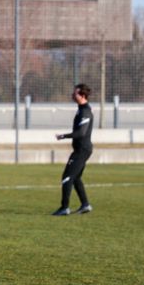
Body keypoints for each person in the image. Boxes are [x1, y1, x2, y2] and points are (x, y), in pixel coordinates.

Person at [53, 83, 94, 216]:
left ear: (82, 95)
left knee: (66, 177)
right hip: (81, 149)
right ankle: (85, 205)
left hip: (82, 150)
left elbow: (81, 133)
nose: (72, 95)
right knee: (75, 178)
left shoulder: (85, 111)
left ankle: (64, 207)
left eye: (75, 93)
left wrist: (64, 136)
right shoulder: (81, 109)